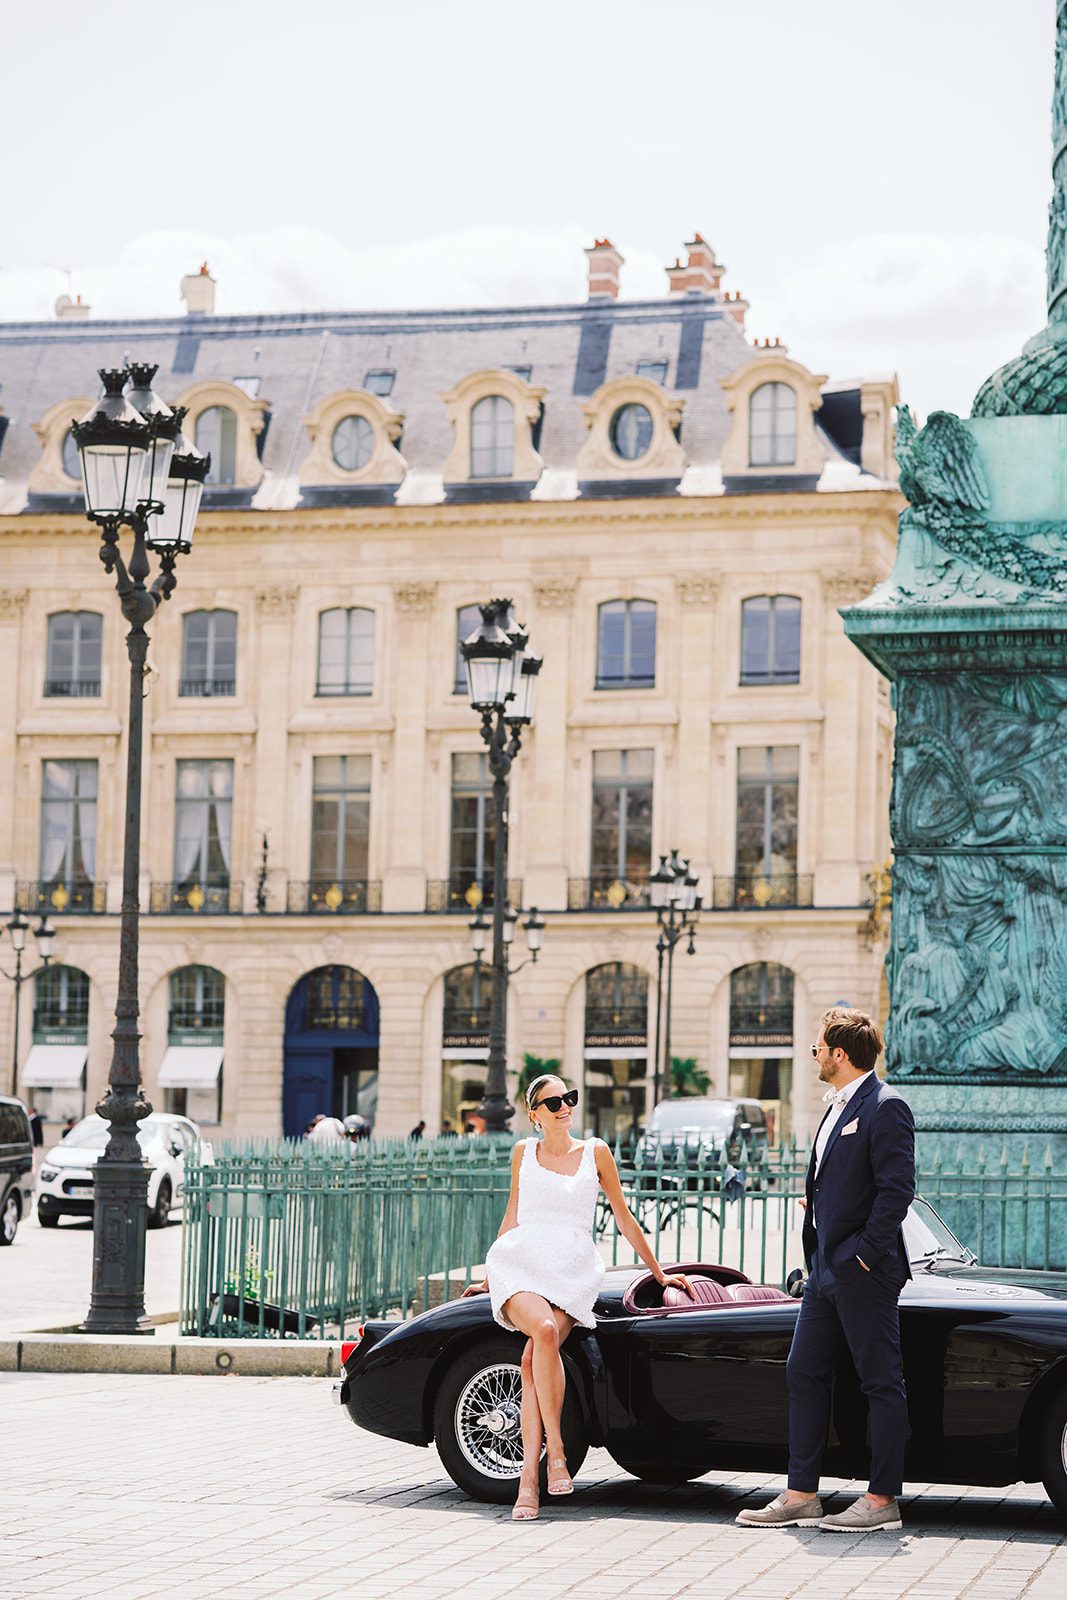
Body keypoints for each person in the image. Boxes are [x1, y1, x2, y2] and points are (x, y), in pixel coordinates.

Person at [463, 1073, 693, 1521]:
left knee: (533, 1360)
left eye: (569, 1098)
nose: (564, 1107)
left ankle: (528, 1479)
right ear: (534, 1115)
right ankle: (556, 1456)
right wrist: (490, 1277)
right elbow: (512, 1216)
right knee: (544, 1331)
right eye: (553, 1103)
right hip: (520, 1264)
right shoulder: (522, 1152)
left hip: (571, 1269)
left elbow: (624, 1219)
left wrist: (660, 1273)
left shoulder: (595, 1151)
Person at [737, 1007, 915, 1534]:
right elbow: (839, 1182)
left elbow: (896, 1190)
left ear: (839, 1054)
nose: (813, 1055)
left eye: (818, 1048)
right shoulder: (836, 1107)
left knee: (880, 1380)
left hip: (863, 1269)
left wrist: (862, 1254)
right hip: (823, 1270)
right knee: (803, 1370)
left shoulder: (886, 1106)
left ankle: (882, 1500)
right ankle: (800, 1495)